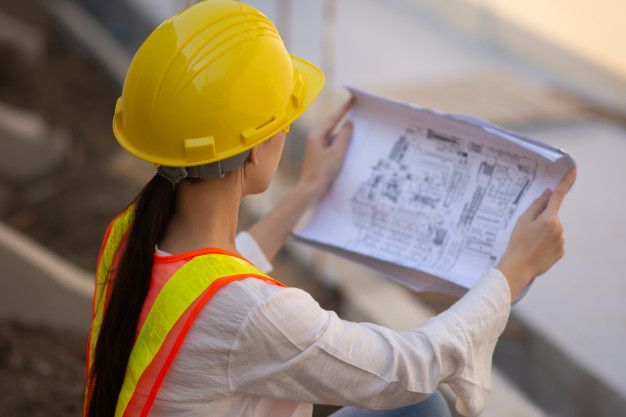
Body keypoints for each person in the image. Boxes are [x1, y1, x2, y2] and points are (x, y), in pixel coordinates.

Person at [83, 2, 576, 417]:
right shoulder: (255, 316)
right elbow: (407, 368)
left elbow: (205, 290)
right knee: (420, 405)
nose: (286, 131)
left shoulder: (128, 236)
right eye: (283, 118)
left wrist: (307, 190)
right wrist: (512, 273)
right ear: (255, 149)